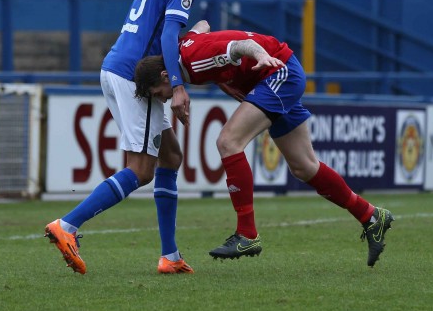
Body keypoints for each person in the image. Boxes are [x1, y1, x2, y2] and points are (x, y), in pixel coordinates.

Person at [134, 21, 395, 268]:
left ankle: (247, 235)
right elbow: (203, 25)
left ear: (165, 76)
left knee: (228, 142)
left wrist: (259, 55)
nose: (164, 100)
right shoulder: (185, 47)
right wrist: (225, 78)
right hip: (273, 76)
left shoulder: (193, 61)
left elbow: (238, 46)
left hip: (277, 73)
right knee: (304, 167)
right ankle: (371, 216)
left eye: (159, 94)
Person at [44, 0, 220, 274]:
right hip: (133, 77)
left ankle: (170, 257)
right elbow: (169, 34)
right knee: (140, 171)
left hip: (124, 68)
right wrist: (179, 86)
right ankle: (67, 225)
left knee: (171, 155)